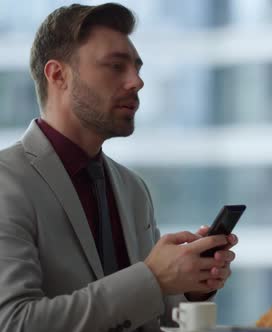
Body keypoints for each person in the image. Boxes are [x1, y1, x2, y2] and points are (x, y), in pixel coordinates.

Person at [0, 3, 237, 332]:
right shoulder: (5, 181)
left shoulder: (132, 187)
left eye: (137, 68)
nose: (137, 82)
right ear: (58, 75)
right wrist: (153, 278)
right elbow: (15, 323)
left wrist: (190, 287)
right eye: (116, 67)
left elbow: (151, 312)